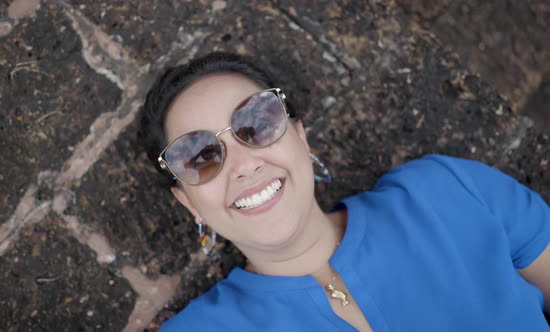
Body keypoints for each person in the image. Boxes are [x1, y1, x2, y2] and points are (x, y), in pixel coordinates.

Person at [138, 52, 550, 331]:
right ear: (189, 202)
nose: (245, 164)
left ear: (300, 136)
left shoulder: (444, 194)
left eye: (256, 123)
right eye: (200, 156)